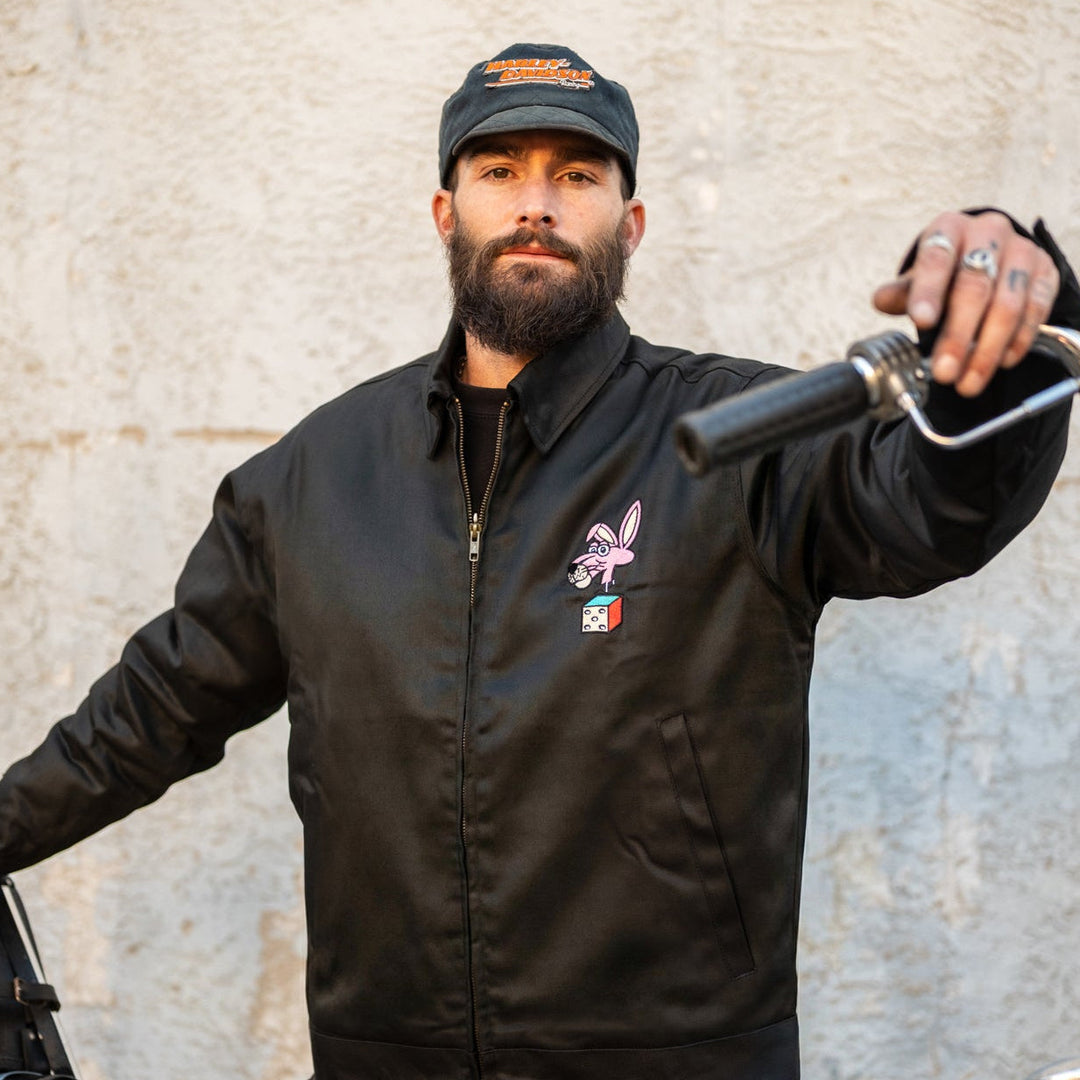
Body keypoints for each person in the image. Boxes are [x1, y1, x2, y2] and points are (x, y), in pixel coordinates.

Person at [1, 42, 1078, 1080]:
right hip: (386, 1061)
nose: (537, 203)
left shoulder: (744, 436)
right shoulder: (312, 480)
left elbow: (937, 508)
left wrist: (1016, 343)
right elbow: (150, 714)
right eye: (498, 170)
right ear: (444, 211)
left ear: (631, 221)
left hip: (680, 1062)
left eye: (577, 174)